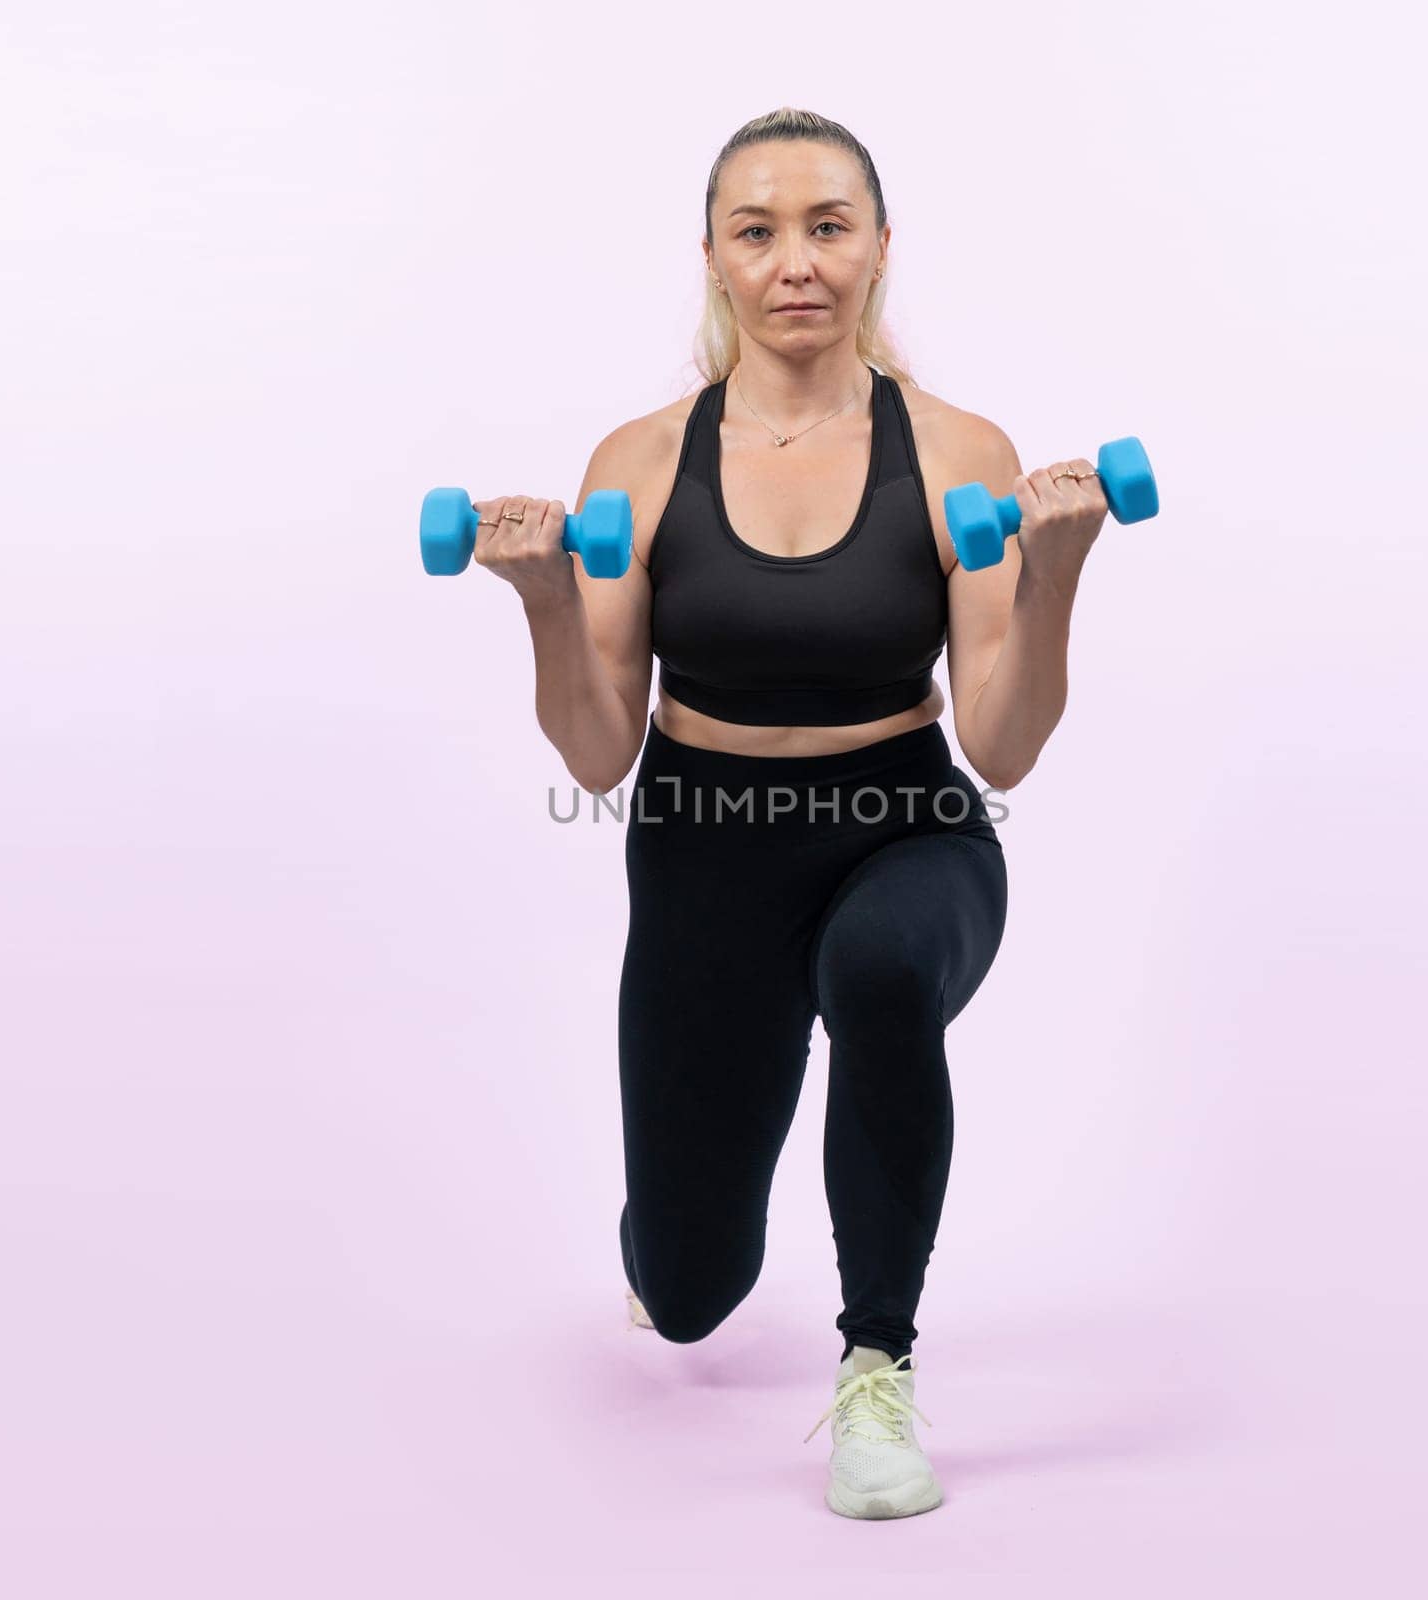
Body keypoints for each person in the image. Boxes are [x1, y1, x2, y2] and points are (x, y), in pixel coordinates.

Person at [470, 107, 1110, 1520]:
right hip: (703, 852)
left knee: (883, 974)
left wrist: (1058, 574)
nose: (796, 261)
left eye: (829, 225)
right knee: (691, 1294)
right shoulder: (638, 464)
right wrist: (539, 606)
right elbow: (593, 755)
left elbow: (1002, 746)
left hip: (908, 831)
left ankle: (877, 1367)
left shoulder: (958, 451)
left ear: (881, 248)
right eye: (758, 231)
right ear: (711, 257)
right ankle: (667, 1248)